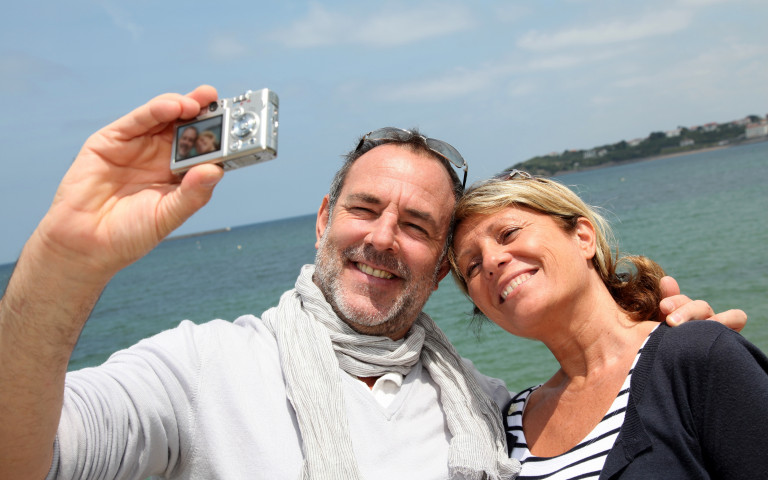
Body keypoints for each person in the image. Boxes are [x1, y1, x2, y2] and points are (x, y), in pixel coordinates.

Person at [0, 87, 745, 479]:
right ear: (325, 218)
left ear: (436, 267)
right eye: (365, 208)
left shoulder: (489, 412)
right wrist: (65, 264)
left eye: (419, 226)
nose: (384, 237)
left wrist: (671, 352)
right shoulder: (202, 368)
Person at [449, 170, 767, 479]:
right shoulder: (503, 427)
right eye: (472, 266)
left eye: (508, 234)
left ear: (584, 237)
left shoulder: (695, 356)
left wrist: (703, 347)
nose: (490, 262)